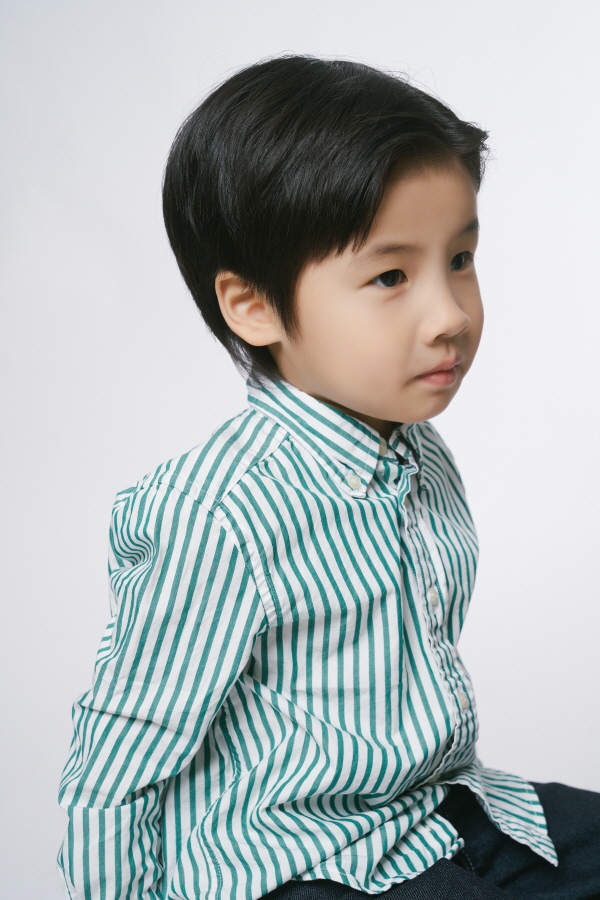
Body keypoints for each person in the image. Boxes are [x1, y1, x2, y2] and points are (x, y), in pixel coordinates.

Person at [57, 56, 600, 900]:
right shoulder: (217, 514)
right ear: (253, 306)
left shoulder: (419, 453)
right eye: (390, 276)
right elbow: (121, 752)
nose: (451, 315)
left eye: (460, 258)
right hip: (296, 859)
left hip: (427, 810)